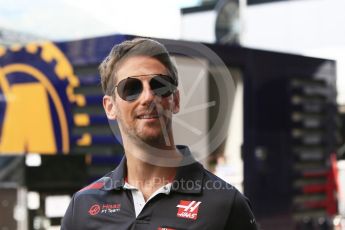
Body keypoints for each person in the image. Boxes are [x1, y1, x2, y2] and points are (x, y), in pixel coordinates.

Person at [61, 37, 257, 230]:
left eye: (160, 85)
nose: (148, 97)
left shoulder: (225, 204)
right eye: (131, 88)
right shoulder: (83, 207)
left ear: (176, 100)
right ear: (110, 107)